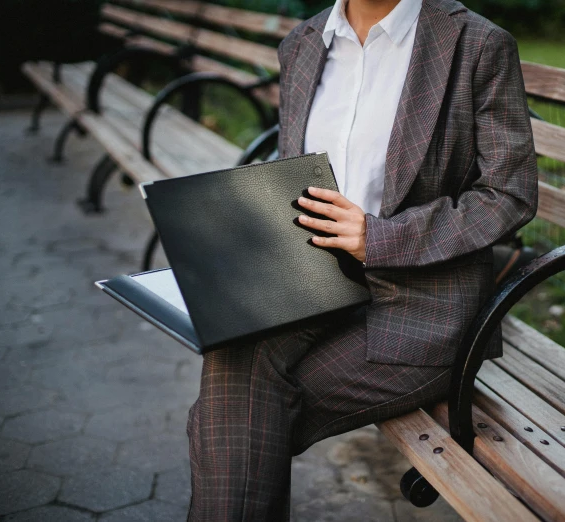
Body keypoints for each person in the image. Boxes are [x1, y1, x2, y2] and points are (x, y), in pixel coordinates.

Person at [186, 0, 538, 519]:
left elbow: (509, 194)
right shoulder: (303, 43)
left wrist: (381, 239)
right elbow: (294, 171)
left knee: (229, 419)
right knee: (232, 365)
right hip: (312, 282)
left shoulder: (477, 44)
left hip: (420, 308)